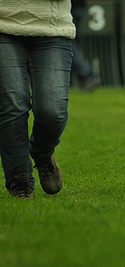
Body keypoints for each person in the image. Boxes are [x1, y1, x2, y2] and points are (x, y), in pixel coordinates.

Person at [0, 1, 76, 199]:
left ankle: (42, 152)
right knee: (12, 103)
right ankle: (20, 182)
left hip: (53, 28)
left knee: (53, 111)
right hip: (2, 25)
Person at [71, 0, 101, 92]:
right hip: (78, 5)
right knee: (69, 41)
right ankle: (87, 75)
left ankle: (87, 75)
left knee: (66, 42)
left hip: (69, 6)